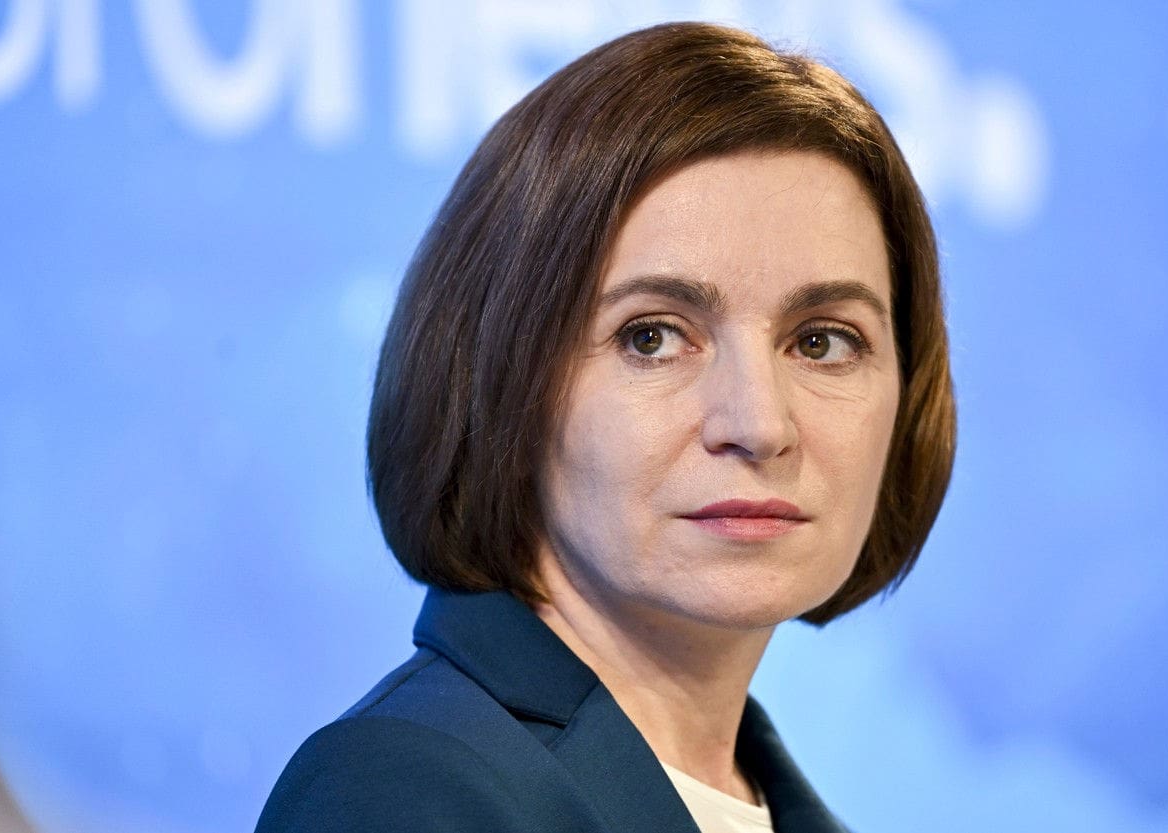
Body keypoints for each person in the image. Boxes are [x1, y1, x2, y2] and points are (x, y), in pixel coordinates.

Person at [257, 20, 954, 833]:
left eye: (822, 342)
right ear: (497, 381)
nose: (760, 424)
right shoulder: (405, 792)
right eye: (650, 337)